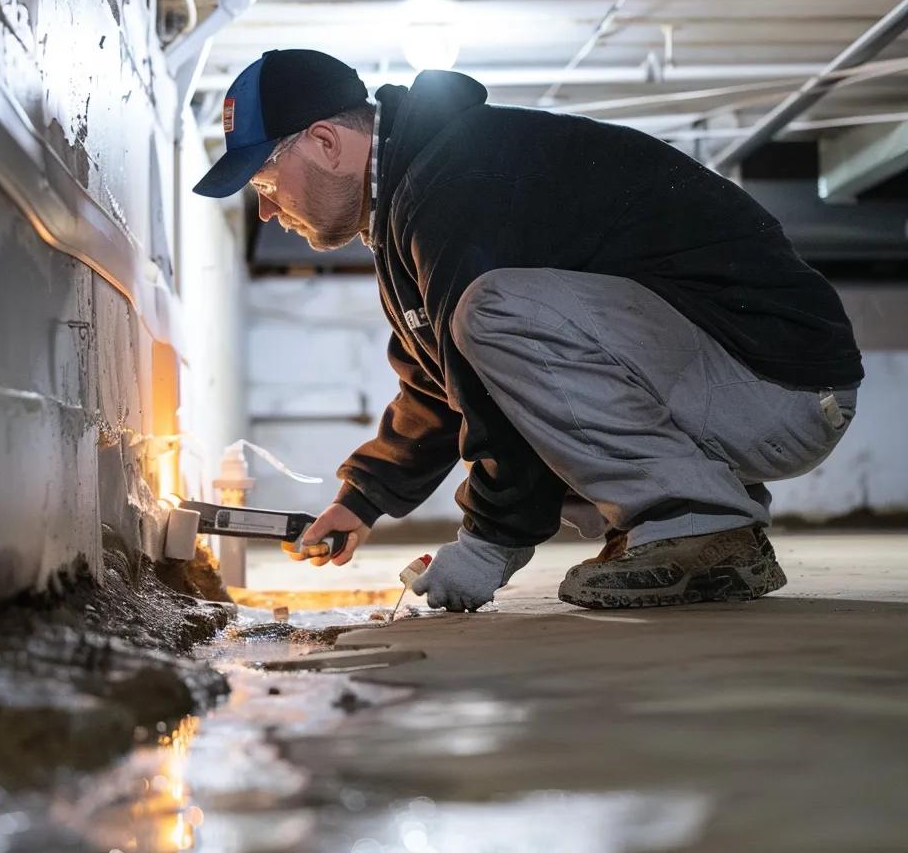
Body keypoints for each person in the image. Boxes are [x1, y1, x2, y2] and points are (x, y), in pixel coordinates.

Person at [194, 49, 862, 611]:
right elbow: (437, 383)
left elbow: (487, 371)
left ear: (325, 143)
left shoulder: (458, 176)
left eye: (265, 180)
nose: (270, 211)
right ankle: (701, 523)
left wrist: (487, 548)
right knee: (483, 321)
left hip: (777, 381)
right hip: (735, 381)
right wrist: (361, 500)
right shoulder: (413, 197)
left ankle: (700, 523)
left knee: (494, 311)